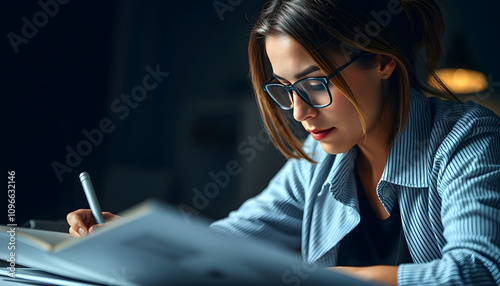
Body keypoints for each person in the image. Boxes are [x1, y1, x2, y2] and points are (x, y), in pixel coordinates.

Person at [67, 0, 500, 285]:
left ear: (384, 61)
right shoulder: (319, 159)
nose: (299, 112)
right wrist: (135, 237)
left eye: (314, 83)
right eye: (285, 88)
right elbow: (228, 242)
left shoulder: (468, 141)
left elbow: (480, 271)